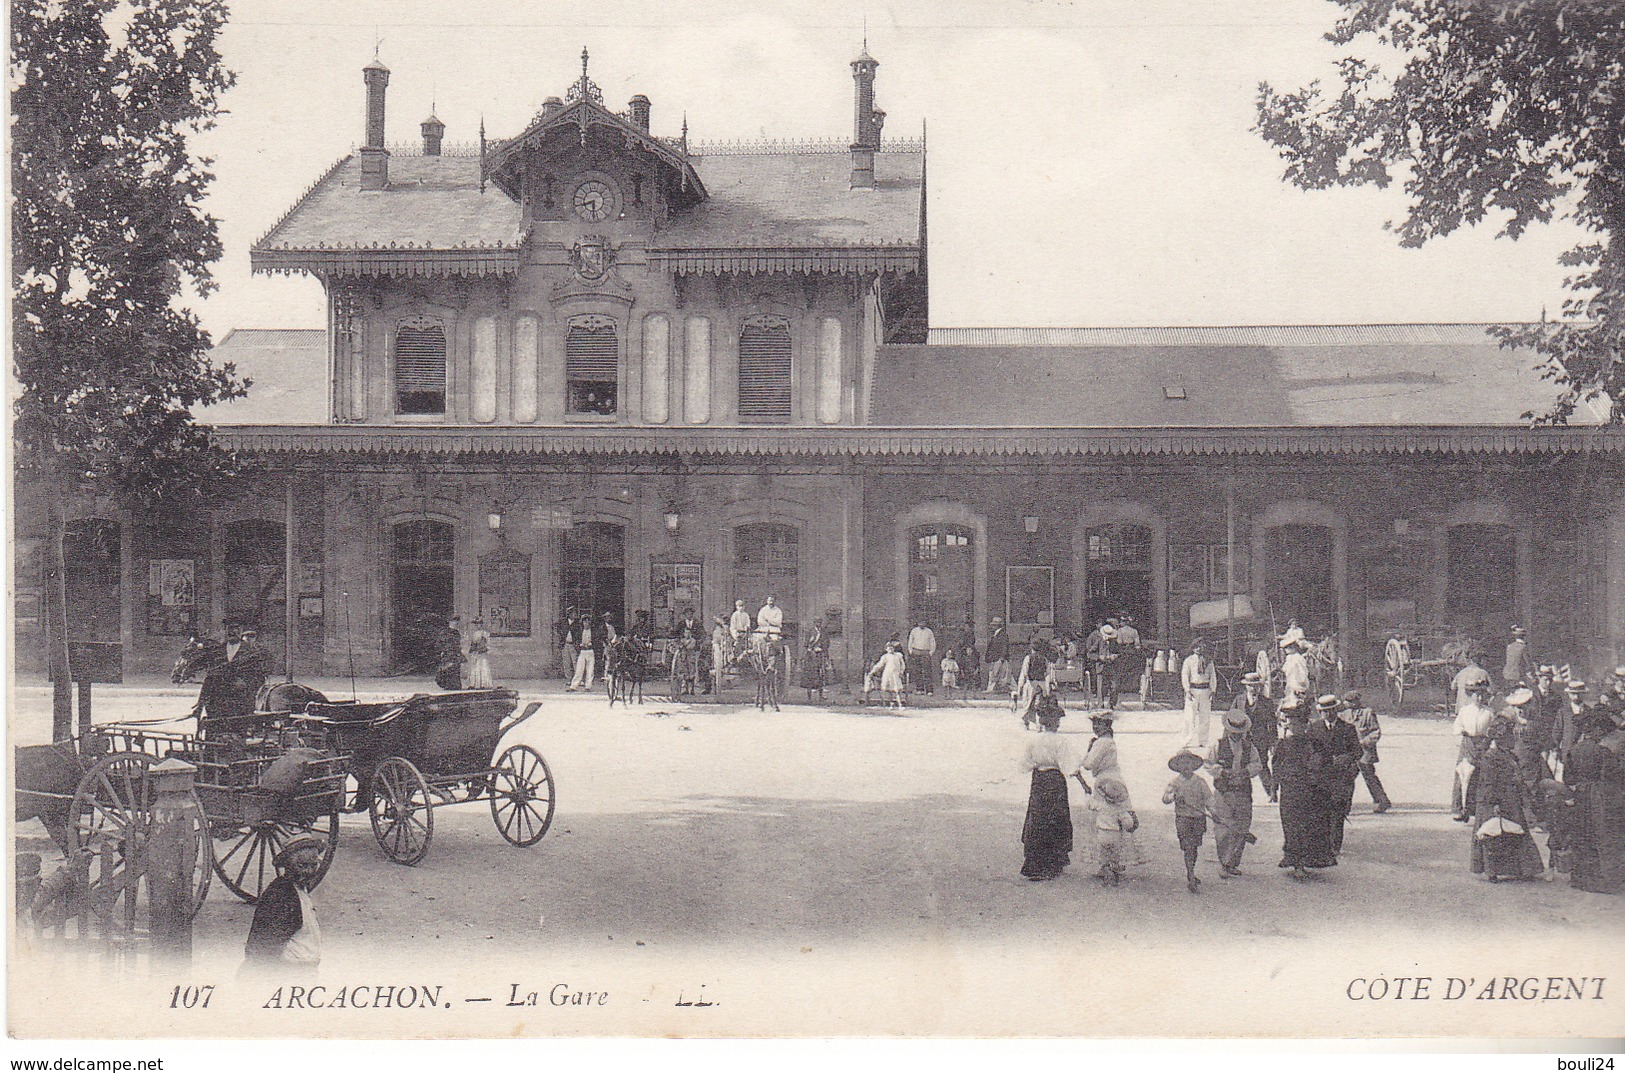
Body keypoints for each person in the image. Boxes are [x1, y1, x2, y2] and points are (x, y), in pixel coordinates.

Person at [1469, 719, 1547, 882]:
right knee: (1493, 834)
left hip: (1510, 799)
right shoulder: (1491, 757)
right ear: (1502, 739)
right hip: (1496, 800)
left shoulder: (1508, 755)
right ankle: (1492, 870)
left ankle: (1518, 869)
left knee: (1512, 832)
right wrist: (1494, 803)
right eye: (1511, 737)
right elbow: (1489, 782)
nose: (1515, 740)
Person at [241, 834, 326, 977]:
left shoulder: (298, 889)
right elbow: (264, 948)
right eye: (302, 866)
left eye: (313, 865)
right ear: (287, 865)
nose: (309, 871)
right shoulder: (282, 896)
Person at [1019, 699, 1084, 881]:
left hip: (1039, 781)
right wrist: (1085, 785)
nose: (1057, 723)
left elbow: (1025, 764)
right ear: (1053, 721)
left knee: (1038, 818)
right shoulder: (1060, 741)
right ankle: (1053, 862)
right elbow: (1071, 767)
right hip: (1055, 781)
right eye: (1056, 720)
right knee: (1056, 818)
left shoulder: (1034, 740)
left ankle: (1035, 863)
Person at [1563, 711, 1624, 894]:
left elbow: (1568, 779)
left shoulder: (1573, 750)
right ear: (1595, 731)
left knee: (1581, 834)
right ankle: (1601, 880)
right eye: (1601, 732)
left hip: (1580, 796)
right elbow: (1612, 776)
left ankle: (1579, 877)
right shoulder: (1603, 752)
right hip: (1599, 798)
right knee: (1601, 835)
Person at [1274, 699, 1337, 878]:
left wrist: (1318, 780)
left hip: (1309, 790)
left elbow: (1324, 765)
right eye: (1288, 722)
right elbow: (1276, 766)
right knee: (1290, 825)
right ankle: (1291, 857)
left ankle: (1300, 863)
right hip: (1289, 791)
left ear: (1303, 724)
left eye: (1293, 723)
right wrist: (1273, 789)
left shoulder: (1314, 744)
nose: (1290, 726)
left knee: (1304, 826)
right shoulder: (1283, 744)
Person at [1206, 708, 1263, 876]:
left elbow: (1257, 764)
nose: (1236, 735)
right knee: (1223, 828)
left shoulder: (1249, 747)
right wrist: (1222, 771)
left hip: (1243, 792)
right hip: (1224, 792)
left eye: (1239, 732)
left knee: (1242, 826)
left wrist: (1246, 772)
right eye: (1233, 732)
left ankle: (1233, 862)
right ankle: (1224, 862)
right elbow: (1208, 763)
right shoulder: (1218, 745)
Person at [1309, 694, 1362, 857]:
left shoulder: (1347, 728)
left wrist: (1347, 757)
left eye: (1331, 711)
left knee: (1338, 813)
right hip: (1320, 778)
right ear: (1320, 713)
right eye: (1325, 711)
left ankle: (1335, 846)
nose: (1328, 714)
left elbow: (1358, 752)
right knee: (1321, 812)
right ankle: (1324, 844)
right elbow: (1308, 750)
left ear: (1336, 711)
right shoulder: (1314, 728)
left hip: (1340, 778)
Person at [1164, 751, 1218, 893]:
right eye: (1182, 764)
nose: (1186, 766)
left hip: (1198, 818)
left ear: (1193, 766)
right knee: (1188, 846)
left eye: (1188, 763)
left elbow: (1209, 799)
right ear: (1178, 766)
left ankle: (1191, 870)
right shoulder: (1175, 783)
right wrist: (1174, 796)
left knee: (1194, 847)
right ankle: (1191, 874)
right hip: (1183, 818)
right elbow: (1165, 798)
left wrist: (1214, 812)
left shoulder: (1200, 782)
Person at [1452, 680, 1497, 821]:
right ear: (1470, 695)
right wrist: (1462, 730)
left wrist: (1491, 740)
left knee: (1482, 776)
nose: (1479, 698)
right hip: (1468, 743)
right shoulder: (1465, 711)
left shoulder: (1489, 713)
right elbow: (1456, 726)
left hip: (1483, 744)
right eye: (1476, 695)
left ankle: (1477, 809)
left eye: (1481, 695)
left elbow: (1494, 729)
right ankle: (1458, 808)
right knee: (1462, 775)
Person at [1341, 689, 1392, 814]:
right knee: (1347, 778)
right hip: (1351, 753)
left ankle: (1381, 802)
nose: (1346, 704)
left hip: (1365, 752)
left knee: (1369, 778)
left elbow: (1375, 732)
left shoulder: (1367, 713)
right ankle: (1344, 806)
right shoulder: (1343, 715)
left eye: (1349, 702)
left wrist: (1363, 742)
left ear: (1355, 702)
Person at [1233, 671, 1278, 801]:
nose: (1254, 688)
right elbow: (1231, 719)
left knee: (1262, 766)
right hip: (1242, 740)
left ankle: (1272, 793)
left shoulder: (1266, 702)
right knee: (1241, 766)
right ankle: (1242, 795)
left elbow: (1272, 724)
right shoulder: (1239, 700)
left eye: (1256, 686)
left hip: (1260, 740)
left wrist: (1273, 742)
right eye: (1251, 686)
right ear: (1246, 686)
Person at [1086, 774, 1138, 886]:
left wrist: (1087, 794)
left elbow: (1089, 804)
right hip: (1115, 835)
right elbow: (1127, 822)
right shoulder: (1120, 809)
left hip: (1102, 834)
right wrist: (1131, 825)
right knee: (1114, 856)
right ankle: (1114, 875)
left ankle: (1105, 874)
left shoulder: (1100, 804)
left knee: (1104, 855)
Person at [1180, 641, 1215, 750]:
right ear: (1192, 648)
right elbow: (1185, 675)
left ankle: (1203, 741)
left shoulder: (1208, 661)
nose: (1198, 649)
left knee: (1205, 717)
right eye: (1196, 647)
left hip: (1205, 691)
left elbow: (1212, 676)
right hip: (1193, 691)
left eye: (1200, 647)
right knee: (1189, 717)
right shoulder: (1188, 661)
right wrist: (1187, 690)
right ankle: (1186, 740)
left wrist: (1213, 690)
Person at [1015, 640, 1057, 730]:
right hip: (1041, 684)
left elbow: (1024, 672)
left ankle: (1026, 723)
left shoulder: (1028, 658)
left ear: (1032, 649)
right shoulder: (1044, 659)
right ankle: (1039, 724)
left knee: (1027, 704)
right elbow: (1048, 673)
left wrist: (1020, 686)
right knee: (1040, 705)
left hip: (1031, 683)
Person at [869, 640, 907, 710]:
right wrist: (873, 671)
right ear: (886, 649)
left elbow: (902, 664)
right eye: (889, 648)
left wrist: (901, 672)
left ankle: (900, 704)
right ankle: (891, 704)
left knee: (897, 690)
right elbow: (879, 665)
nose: (890, 650)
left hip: (895, 674)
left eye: (892, 648)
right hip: (888, 674)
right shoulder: (885, 656)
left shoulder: (898, 655)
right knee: (889, 690)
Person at [905, 620, 937, 696]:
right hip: (916, 651)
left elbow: (932, 642)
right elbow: (910, 641)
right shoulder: (914, 631)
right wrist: (911, 651)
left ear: (925, 623)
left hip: (925, 652)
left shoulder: (929, 631)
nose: (921, 624)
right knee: (917, 671)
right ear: (918, 623)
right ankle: (920, 689)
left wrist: (931, 652)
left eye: (923, 622)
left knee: (927, 671)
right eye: (920, 622)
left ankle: (929, 690)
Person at [566, 613, 596, 692]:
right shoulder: (580, 632)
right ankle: (574, 686)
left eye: (588, 621)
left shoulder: (593, 632)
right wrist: (579, 645)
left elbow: (597, 641)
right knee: (579, 669)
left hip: (590, 651)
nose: (586, 623)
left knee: (590, 669)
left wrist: (592, 644)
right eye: (584, 621)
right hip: (582, 651)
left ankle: (588, 686)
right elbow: (576, 640)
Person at [800, 621, 830, 702]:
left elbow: (827, 643)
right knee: (809, 676)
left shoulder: (823, 632)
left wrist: (822, 649)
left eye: (820, 622)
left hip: (820, 655)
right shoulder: (810, 632)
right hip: (810, 656)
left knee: (821, 675)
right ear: (814, 623)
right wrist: (811, 647)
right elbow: (806, 644)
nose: (819, 624)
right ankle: (809, 697)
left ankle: (821, 696)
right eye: (817, 622)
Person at [435, 615, 465, 691]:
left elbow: (458, 643)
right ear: (450, 622)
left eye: (457, 622)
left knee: (456, 669)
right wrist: (442, 650)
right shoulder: (444, 632)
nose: (456, 623)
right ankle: (447, 685)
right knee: (447, 669)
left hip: (456, 653)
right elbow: (439, 643)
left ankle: (455, 685)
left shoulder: (457, 633)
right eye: (454, 621)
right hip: (448, 653)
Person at [984, 616, 1012, 693]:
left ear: (997, 625)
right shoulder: (995, 635)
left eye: (993, 625)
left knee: (1000, 675)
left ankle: (1014, 689)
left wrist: (1002, 658)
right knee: (995, 674)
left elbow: (1004, 647)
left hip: (999, 659)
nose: (992, 627)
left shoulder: (1002, 635)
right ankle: (990, 688)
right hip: (995, 659)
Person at [465, 617, 494, 689]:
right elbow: (472, 643)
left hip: (482, 653)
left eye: (479, 624)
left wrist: (484, 648)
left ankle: (483, 684)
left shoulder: (485, 633)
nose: (478, 625)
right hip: (475, 653)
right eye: (476, 624)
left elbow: (488, 643)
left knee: (482, 667)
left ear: (482, 624)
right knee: (474, 667)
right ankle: (473, 684)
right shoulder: (474, 633)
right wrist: (472, 648)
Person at [1280, 640, 1311, 705]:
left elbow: (1285, 669)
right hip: (1296, 681)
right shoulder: (1294, 657)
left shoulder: (1295, 658)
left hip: (1296, 681)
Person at [1503, 625, 1529, 691]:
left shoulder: (1509, 646)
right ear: (1524, 637)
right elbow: (1528, 663)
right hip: (1518, 676)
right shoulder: (1523, 647)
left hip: (1507, 675)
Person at [560, 608, 580, 681]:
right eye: (574, 613)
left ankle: (577, 679)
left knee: (575, 662)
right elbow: (557, 628)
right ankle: (568, 679)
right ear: (570, 614)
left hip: (573, 645)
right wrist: (561, 637)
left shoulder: (577, 623)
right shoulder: (563, 622)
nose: (575, 615)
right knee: (566, 663)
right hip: (565, 644)